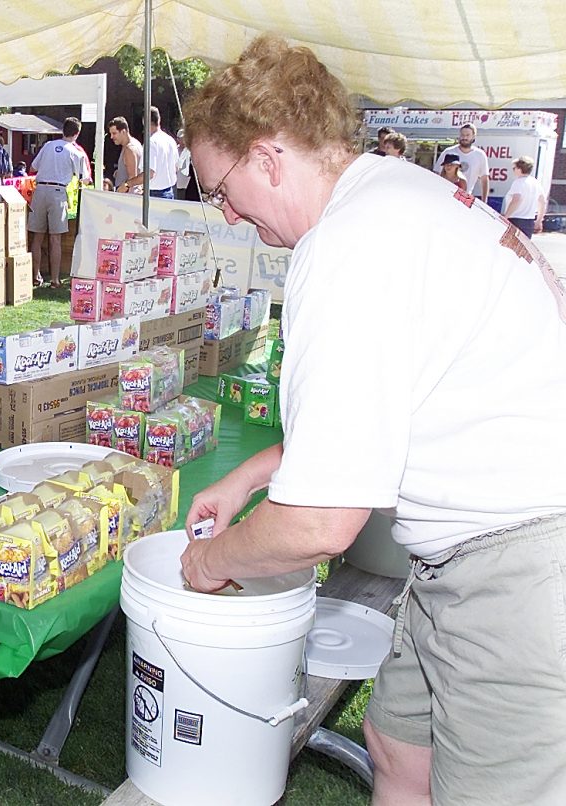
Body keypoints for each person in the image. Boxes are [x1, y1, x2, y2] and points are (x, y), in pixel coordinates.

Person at [182, 34, 566, 806]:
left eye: (220, 189)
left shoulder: (346, 247)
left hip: (519, 572)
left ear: (268, 157)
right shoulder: (393, 193)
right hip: (477, 550)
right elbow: (388, 403)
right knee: (397, 746)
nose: (226, 213)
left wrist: (211, 561)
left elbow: (320, 524)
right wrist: (253, 474)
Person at [29, 116, 90, 288]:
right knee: (55, 238)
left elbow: (33, 167)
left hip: (40, 190)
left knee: (37, 237)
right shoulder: (76, 152)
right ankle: (55, 280)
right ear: (77, 133)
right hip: (58, 192)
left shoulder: (48, 146)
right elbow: (85, 179)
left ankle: (36, 275)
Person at [123, 106, 179, 198]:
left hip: (155, 194)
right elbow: (176, 168)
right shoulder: (170, 140)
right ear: (159, 120)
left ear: (144, 121)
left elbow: (149, 174)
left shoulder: (151, 143)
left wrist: (127, 184)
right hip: (170, 191)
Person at [434, 123, 489, 200]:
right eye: (462, 135)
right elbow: (436, 174)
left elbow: (484, 179)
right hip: (445, 195)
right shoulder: (448, 152)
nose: (464, 137)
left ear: (473, 136)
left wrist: (484, 201)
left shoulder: (480, 155)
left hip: (465, 197)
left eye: (467, 135)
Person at [503, 156, 547, 239]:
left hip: (515, 220)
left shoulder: (518, 183)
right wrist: (539, 220)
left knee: (511, 245)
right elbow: (542, 202)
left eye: (514, 168)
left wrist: (505, 217)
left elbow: (516, 200)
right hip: (529, 222)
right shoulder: (536, 183)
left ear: (519, 169)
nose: (513, 170)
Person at [107, 116, 144, 193]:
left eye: (114, 133)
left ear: (123, 132)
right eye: (111, 134)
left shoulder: (129, 149)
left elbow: (132, 178)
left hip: (128, 195)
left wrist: (124, 187)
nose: (111, 137)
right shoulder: (135, 144)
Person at [175, 127, 193, 200]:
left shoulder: (191, 152)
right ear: (178, 139)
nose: (183, 141)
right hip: (175, 185)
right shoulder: (174, 150)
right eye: (181, 138)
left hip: (187, 186)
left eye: (185, 138)